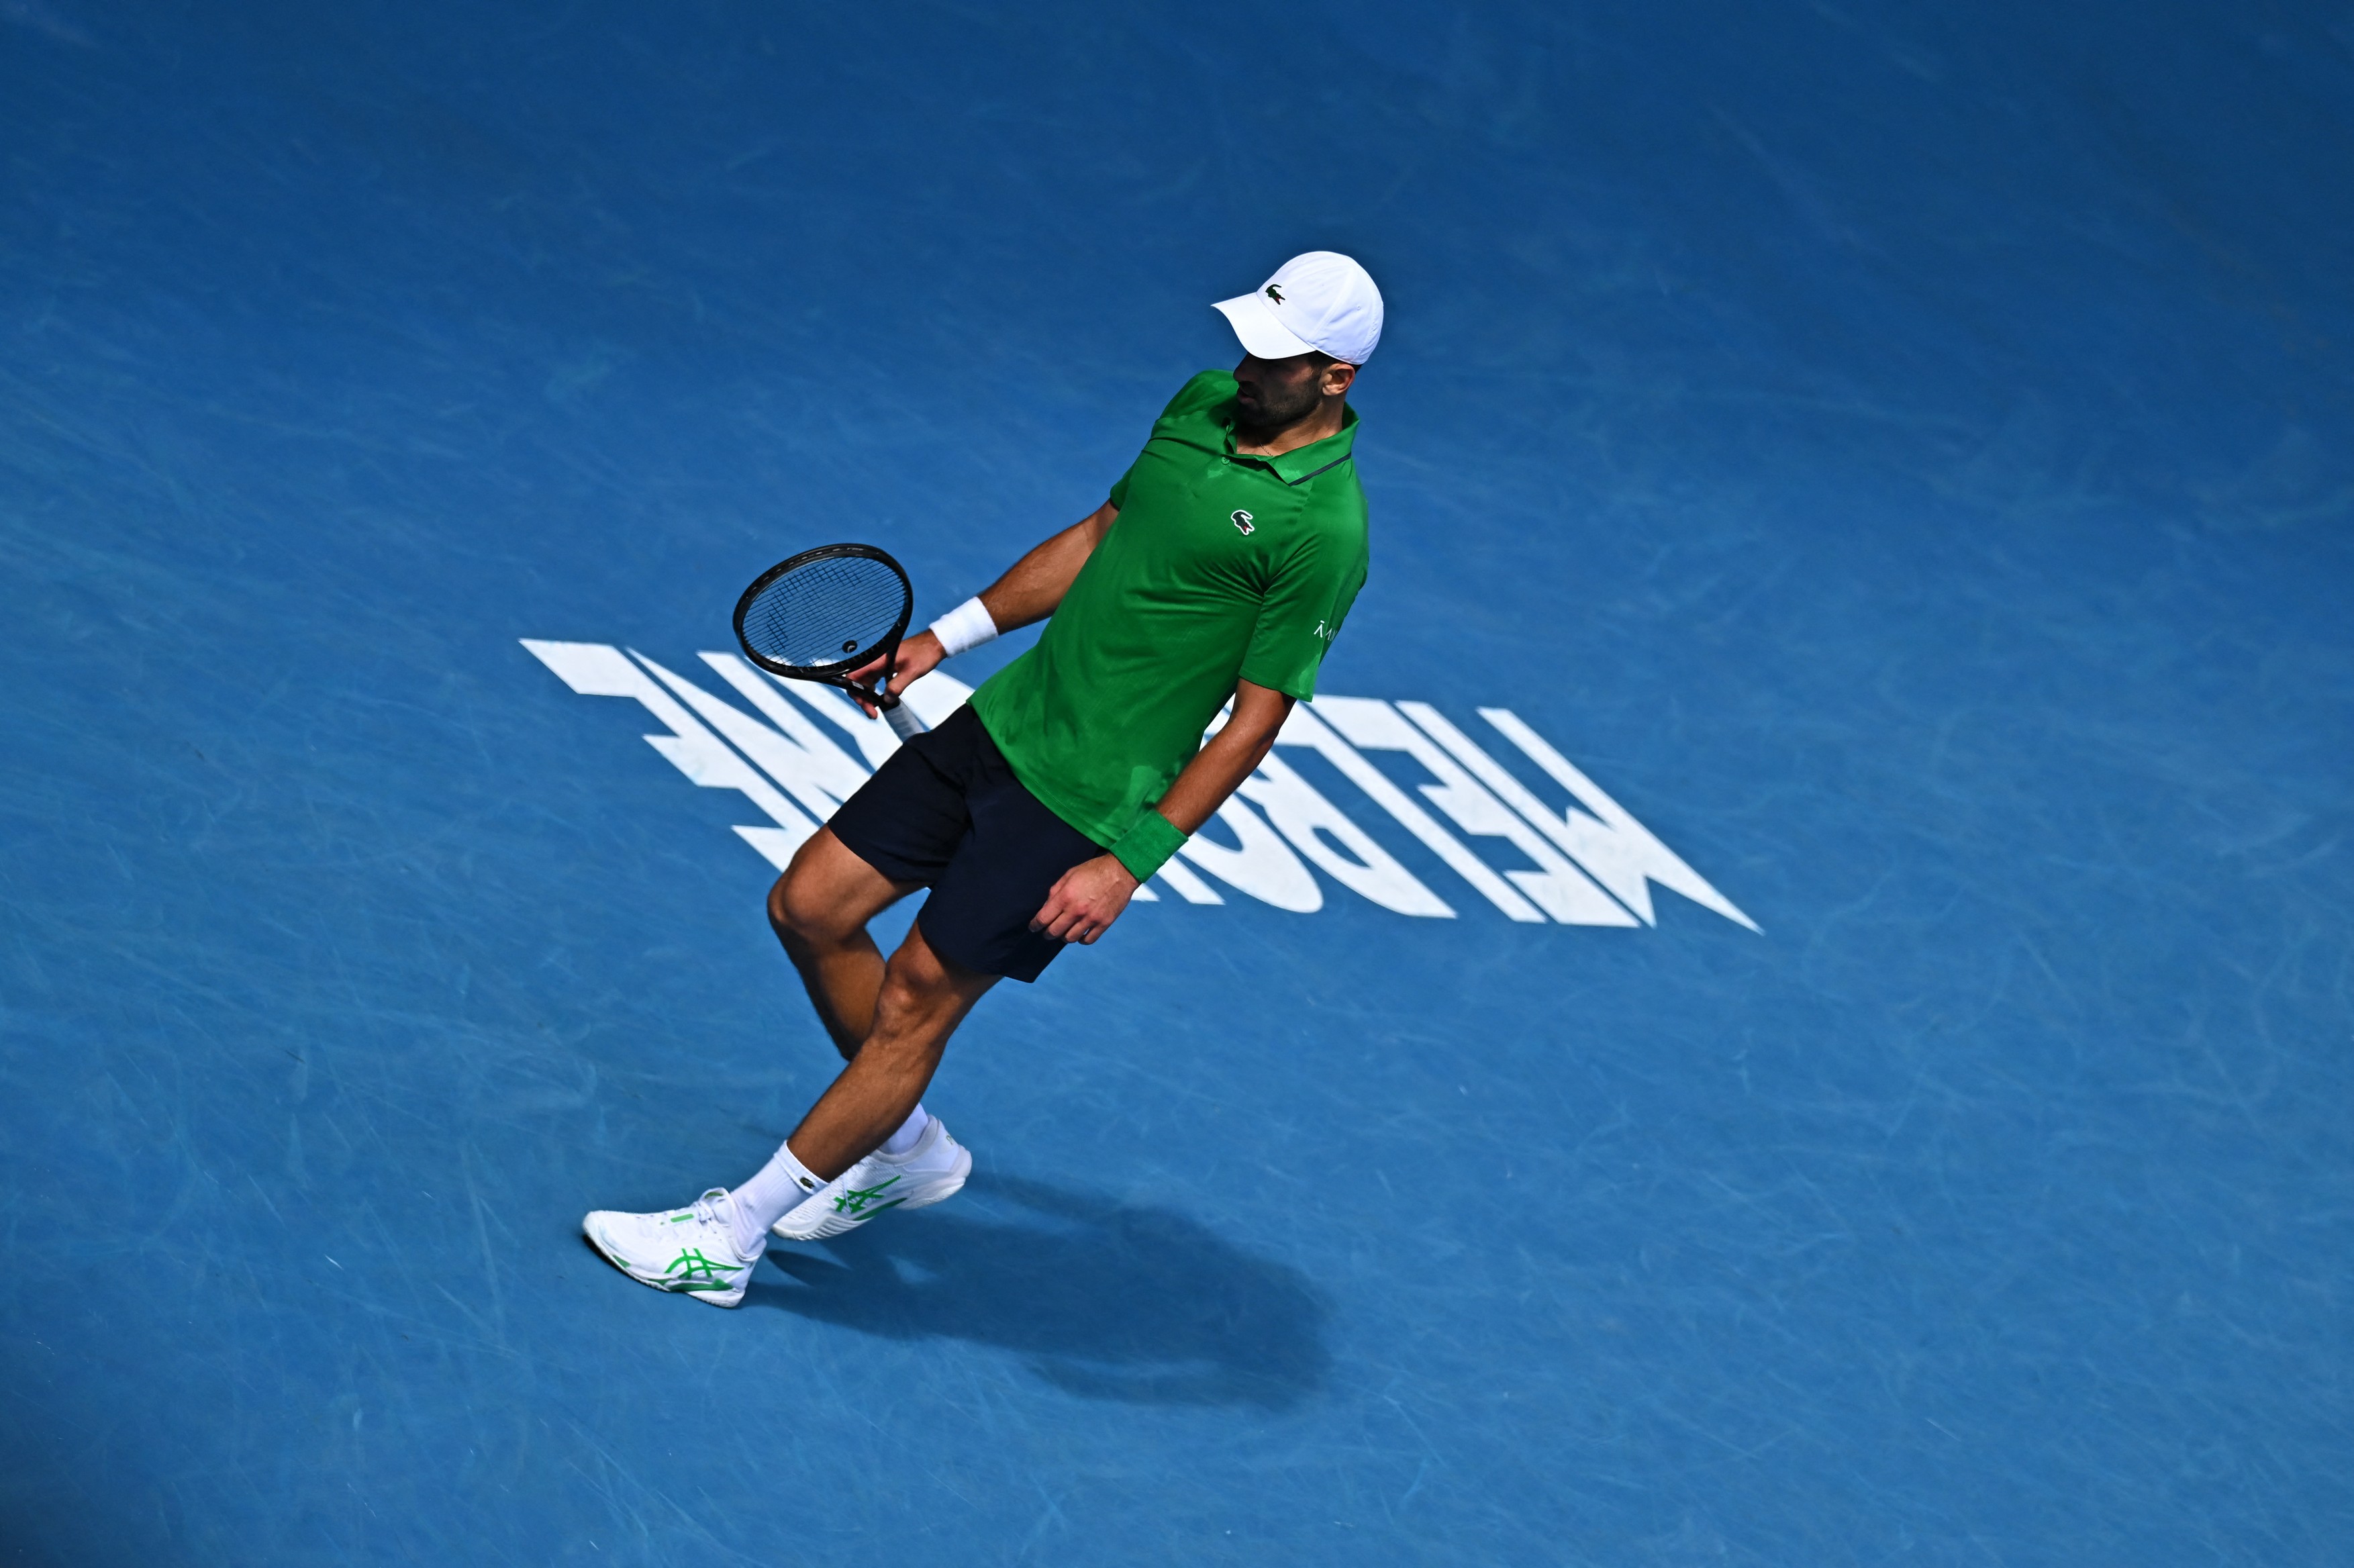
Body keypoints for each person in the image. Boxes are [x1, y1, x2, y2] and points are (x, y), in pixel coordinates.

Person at [583, 251, 1384, 1306]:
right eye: (1248, 340)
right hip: (1004, 723)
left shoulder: (1323, 533)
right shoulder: (1201, 403)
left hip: (1086, 798)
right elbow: (1104, 534)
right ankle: (904, 1146)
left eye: (1277, 359)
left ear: (1338, 377)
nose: (1246, 367)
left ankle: (730, 1239)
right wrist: (945, 639)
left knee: (917, 1002)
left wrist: (1128, 860)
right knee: (809, 905)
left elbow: (1255, 720)